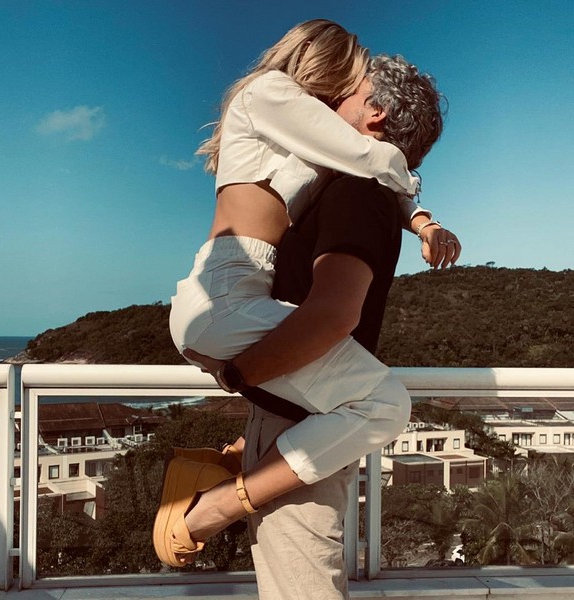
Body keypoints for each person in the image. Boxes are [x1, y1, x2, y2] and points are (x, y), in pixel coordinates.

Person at [153, 21, 460, 568]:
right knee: (386, 405)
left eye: (353, 90)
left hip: (233, 296)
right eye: (352, 78)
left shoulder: (304, 141)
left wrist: (422, 220)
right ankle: (214, 505)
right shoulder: (268, 93)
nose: (342, 95)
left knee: (359, 394)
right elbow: (371, 160)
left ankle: (229, 463)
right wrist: (409, 182)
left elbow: (366, 168)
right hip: (226, 296)